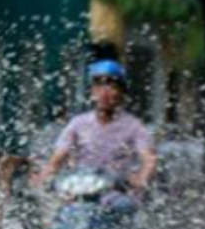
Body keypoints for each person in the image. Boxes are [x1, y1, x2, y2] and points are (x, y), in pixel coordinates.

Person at [33, 59, 158, 205]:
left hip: (118, 194)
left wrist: (141, 177)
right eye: (98, 86)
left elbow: (149, 159)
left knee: (122, 206)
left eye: (111, 87)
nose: (104, 93)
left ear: (121, 93)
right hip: (81, 191)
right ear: (91, 91)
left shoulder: (134, 127)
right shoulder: (78, 124)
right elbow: (57, 159)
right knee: (62, 212)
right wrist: (43, 177)